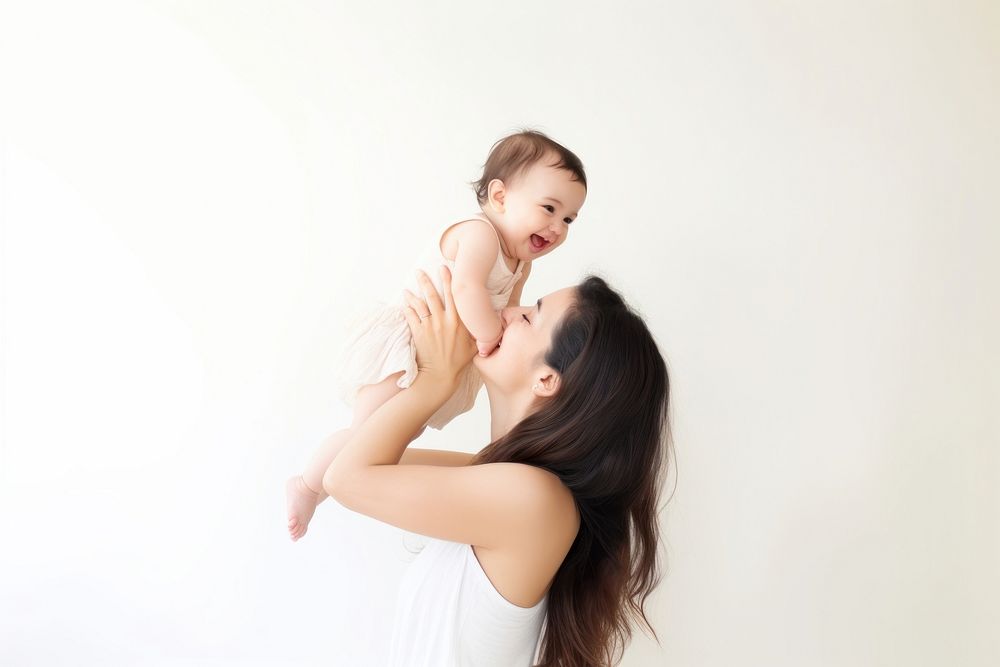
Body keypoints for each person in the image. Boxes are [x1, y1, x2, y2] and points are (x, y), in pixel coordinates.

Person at [324, 266, 672, 666]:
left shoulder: (534, 499)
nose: (505, 314)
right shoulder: (500, 483)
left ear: (546, 379)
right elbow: (343, 454)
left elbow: (344, 478)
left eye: (528, 316)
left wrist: (437, 380)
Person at [286, 130, 588, 541]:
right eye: (549, 208)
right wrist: (486, 339)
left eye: (568, 219)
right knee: (367, 433)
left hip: (435, 354)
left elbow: (506, 313)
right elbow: (467, 290)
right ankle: (306, 484)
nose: (557, 226)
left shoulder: (521, 265)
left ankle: (319, 483)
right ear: (499, 197)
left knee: (395, 435)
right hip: (408, 342)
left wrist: (495, 335)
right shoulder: (479, 234)